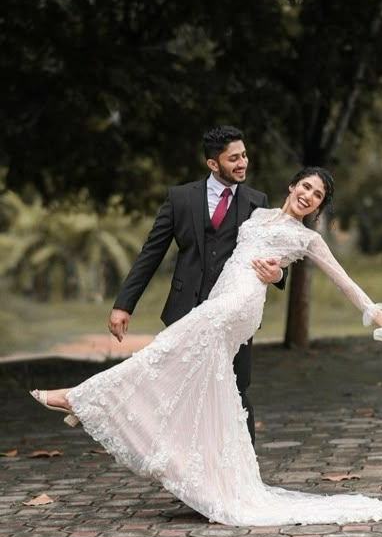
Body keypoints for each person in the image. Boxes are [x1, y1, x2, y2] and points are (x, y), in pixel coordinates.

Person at [31, 166, 382, 525]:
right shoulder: (257, 213)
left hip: (239, 305)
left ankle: (81, 398)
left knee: (162, 352)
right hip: (218, 298)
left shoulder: (308, 238)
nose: (309, 195)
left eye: (318, 195)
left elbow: (345, 283)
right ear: (292, 186)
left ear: (318, 206)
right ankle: (208, 480)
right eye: (306, 187)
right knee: (197, 383)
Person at [108, 125, 286, 444]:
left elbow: (273, 257)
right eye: (233, 158)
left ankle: (243, 480)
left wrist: (278, 276)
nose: (243, 162)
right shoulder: (179, 199)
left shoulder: (257, 202)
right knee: (185, 396)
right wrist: (124, 304)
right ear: (213, 164)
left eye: (244, 155)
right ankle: (190, 477)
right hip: (185, 311)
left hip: (235, 312)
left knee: (237, 390)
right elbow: (152, 252)